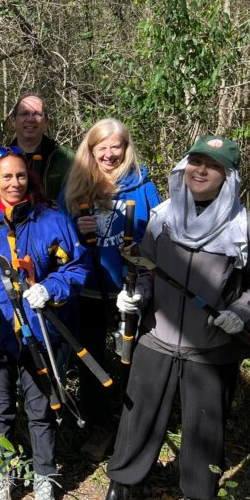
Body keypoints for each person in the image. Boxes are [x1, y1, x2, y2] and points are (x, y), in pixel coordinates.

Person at [97, 136, 250, 500]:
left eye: (212, 166)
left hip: (212, 346)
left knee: (205, 424)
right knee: (138, 417)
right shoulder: (164, 216)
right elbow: (147, 272)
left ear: (228, 176)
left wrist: (240, 310)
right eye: (195, 162)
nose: (200, 171)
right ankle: (121, 486)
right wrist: (134, 297)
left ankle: (197, 499)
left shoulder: (246, 227)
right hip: (156, 337)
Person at [0, 146, 86, 500]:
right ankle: (4, 474)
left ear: (30, 178)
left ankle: (45, 474)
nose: (14, 183)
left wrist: (52, 287)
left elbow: (76, 267)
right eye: (6, 176)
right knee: (0, 409)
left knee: (39, 406)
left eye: (21, 175)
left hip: (39, 332)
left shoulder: (51, 219)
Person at [59, 119, 160, 460]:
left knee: (132, 360)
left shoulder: (142, 183)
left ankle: (132, 427)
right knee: (91, 362)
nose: (108, 153)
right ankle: (98, 425)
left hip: (130, 291)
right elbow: (56, 233)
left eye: (115, 146)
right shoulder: (77, 183)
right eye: (100, 147)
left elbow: (159, 232)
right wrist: (76, 227)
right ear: (90, 150)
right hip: (88, 288)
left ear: (126, 148)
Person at [9, 94, 74, 199]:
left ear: (46, 121)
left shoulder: (67, 159)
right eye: (24, 113)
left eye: (37, 114)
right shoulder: (1, 160)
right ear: (13, 121)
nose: (30, 119)